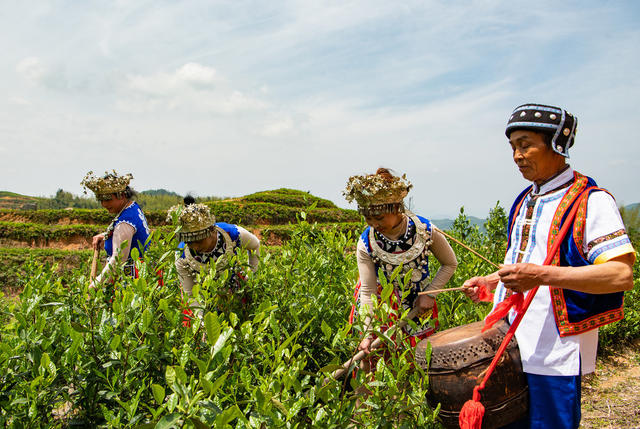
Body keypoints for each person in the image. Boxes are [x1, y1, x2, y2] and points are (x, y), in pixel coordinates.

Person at [463, 103, 635, 429]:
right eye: (513, 147)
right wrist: (492, 281)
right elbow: (521, 263)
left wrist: (540, 275)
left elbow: (620, 274)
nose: (517, 155)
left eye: (525, 144)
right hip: (509, 344)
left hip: (555, 352)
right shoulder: (525, 200)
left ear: (557, 144)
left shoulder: (591, 201)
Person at [343, 168, 458, 363]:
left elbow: (450, 264)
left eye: (379, 218)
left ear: (396, 209)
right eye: (368, 218)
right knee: (375, 365)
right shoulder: (366, 243)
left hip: (419, 305)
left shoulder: (426, 230)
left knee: (418, 364)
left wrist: (429, 294)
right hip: (379, 308)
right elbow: (368, 290)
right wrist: (368, 332)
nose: (374, 224)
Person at [168, 201, 260, 317]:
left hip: (236, 292)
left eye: (199, 241)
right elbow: (190, 293)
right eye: (190, 243)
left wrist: (252, 276)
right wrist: (201, 321)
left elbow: (255, 245)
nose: (195, 247)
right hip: (202, 300)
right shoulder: (182, 255)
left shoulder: (232, 233)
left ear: (212, 231)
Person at [81, 170, 150, 287]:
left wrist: (95, 285)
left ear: (122, 195)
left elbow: (118, 261)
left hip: (132, 282)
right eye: (101, 200)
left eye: (108, 199)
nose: (104, 204)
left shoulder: (125, 221)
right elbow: (129, 235)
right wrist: (107, 235)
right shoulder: (132, 208)